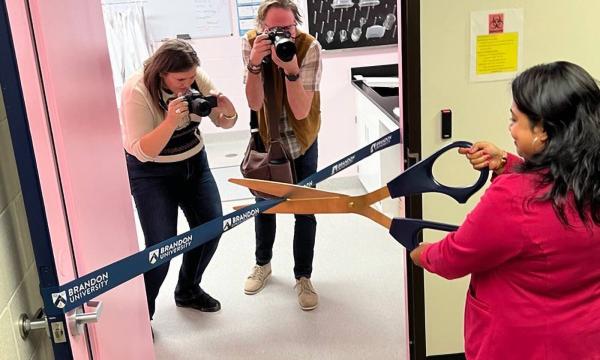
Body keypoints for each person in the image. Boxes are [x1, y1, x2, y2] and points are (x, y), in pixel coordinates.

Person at [410, 61, 600, 359]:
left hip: (520, 344)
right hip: (584, 341)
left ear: (543, 131)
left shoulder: (513, 198)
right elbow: (557, 190)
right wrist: (506, 163)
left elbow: (454, 257)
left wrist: (419, 252)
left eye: (515, 120)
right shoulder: (589, 176)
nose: (509, 129)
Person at [120, 39, 238, 320]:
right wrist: (170, 121)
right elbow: (143, 151)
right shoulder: (137, 90)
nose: (188, 84)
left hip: (194, 163)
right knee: (161, 248)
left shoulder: (194, 77)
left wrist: (229, 109)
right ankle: (140, 316)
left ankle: (188, 289)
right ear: (162, 73)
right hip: (152, 173)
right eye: (180, 79)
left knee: (211, 227)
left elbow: (224, 121)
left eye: (192, 77)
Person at [241, 0, 323, 310]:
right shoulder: (251, 44)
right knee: (264, 206)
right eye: (272, 29)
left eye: (286, 28)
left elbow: (301, 112)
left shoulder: (308, 46)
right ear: (261, 27)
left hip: (302, 141)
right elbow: (254, 103)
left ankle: (303, 276)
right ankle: (263, 263)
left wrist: (291, 69)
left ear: (296, 25)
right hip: (268, 139)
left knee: (305, 211)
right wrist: (254, 65)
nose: (280, 35)